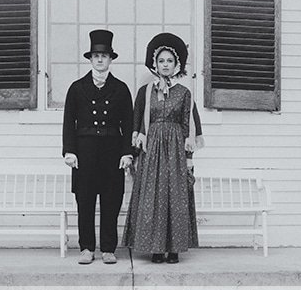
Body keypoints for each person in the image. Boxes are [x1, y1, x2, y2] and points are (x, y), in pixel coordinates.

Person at [123, 32, 202, 264]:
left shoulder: (184, 94)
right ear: (154, 64)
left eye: (169, 61)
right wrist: (133, 154)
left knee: (175, 196)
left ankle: (174, 249)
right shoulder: (145, 92)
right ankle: (155, 249)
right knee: (153, 196)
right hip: (152, 151)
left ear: (177, 64)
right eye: (161, 61)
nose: (165, 65)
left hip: (176, 151)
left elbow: (189, 127)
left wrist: (188, 157)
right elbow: (136, 123)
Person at [62, 30, 134, 265]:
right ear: (90, 59)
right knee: (85, 200)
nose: (100, 59)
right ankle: (86, 248)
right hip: (85, 152)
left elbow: (128, 123)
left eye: (104, 55)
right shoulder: (77, 88)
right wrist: (69, 150)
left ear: (111, 59)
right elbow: (68, 122)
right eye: (96, 55)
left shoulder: (121, 89)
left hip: (112, 151)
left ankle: (108, 248)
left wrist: (127, 153)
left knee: (111, 200)